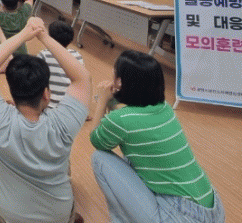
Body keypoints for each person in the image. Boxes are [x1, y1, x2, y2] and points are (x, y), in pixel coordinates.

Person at [0, 17, 91, 223]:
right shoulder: (64, 122)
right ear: (46, 94)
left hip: (11, 216)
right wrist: (43, 36)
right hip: (60, 215)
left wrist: (25, 33)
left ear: (12, 95)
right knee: (63, 161)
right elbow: (82, 77)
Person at [90, 50, 225, 223]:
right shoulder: (165, 108)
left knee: (99, 158)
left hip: (181, 216)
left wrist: (102, 100)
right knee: (134, 154)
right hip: (214, 211)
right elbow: (127, 117)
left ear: (120, 81)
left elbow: (97, 140)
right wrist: (113, 100)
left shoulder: (121, 120)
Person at [37, 20, 85, 109]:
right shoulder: (77, 56)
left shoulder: (44, 55)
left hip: (48, 105)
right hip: (68, 105)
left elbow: (37, 81)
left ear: (50, 38)